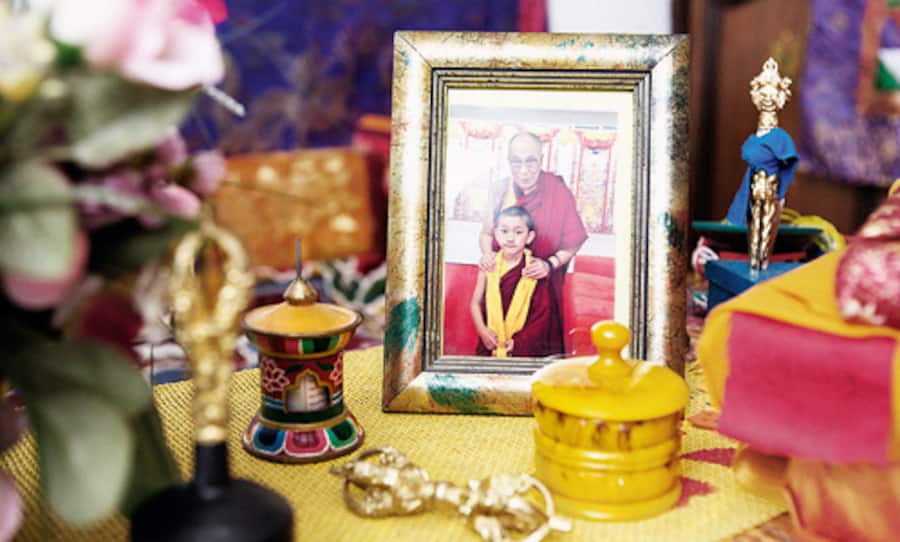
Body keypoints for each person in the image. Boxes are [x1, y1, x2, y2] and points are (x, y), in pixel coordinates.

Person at [479, 132, 588, 350]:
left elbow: (574, 239)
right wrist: (487, 254)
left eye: (531, 162)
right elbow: (486, 233)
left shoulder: (557, 191)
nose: (524, 170)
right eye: (516, 162)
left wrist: (550, 264)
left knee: (537, 349)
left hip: (541, 291)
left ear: (541, 159)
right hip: (501, 289)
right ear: (508, 161)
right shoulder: (499, 190)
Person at [470, 206, 560, 357]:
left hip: (523, 346)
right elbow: (475, 302)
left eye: (518, 232)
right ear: (495, 234)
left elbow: (542, 315)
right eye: (504, 231)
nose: (510, 238)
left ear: (529, 237)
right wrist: (482, 331)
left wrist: (519, 343)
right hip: (490, 342)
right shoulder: (488, 264)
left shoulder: (535, 269)